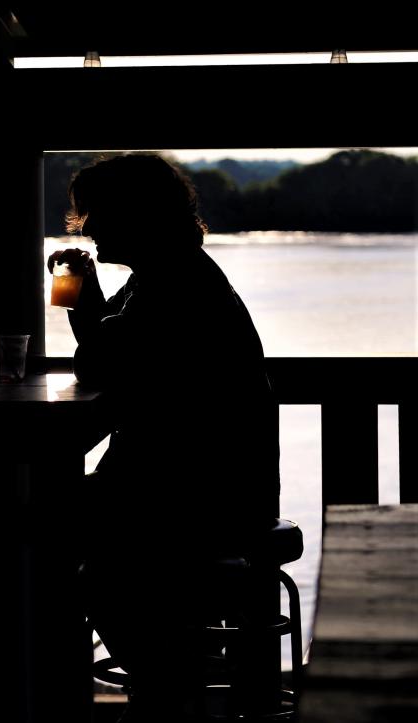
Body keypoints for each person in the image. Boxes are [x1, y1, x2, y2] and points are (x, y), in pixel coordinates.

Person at [49, 154, 280, 721]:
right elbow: (109, 355)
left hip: (197, 496)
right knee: (49, 525)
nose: (88, 228)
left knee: (38, 530)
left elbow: (100, 363)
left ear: (137, 214)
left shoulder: (172, 285)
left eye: (96, 214)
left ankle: (166, 686)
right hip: (200, 486)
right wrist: (91, 300)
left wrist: (82, 295)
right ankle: (176, 674)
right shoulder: (168, 276)